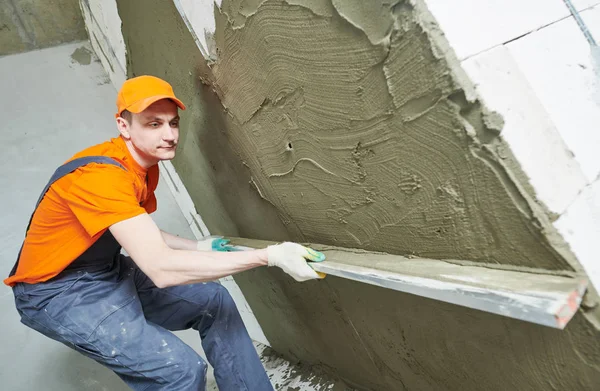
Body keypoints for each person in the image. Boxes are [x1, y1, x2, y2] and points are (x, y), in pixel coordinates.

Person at [5, 75, 325, 390]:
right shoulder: (101, 177)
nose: (169, 134)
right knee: (179, 372)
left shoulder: (143, 165)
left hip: (104, 271)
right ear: (124, 126)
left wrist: (198, 246)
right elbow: (161, 270)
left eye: (173, 123)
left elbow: (138, 228)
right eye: (154, 124)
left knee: (214, 300)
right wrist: (269, 256)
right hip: (57, 292)